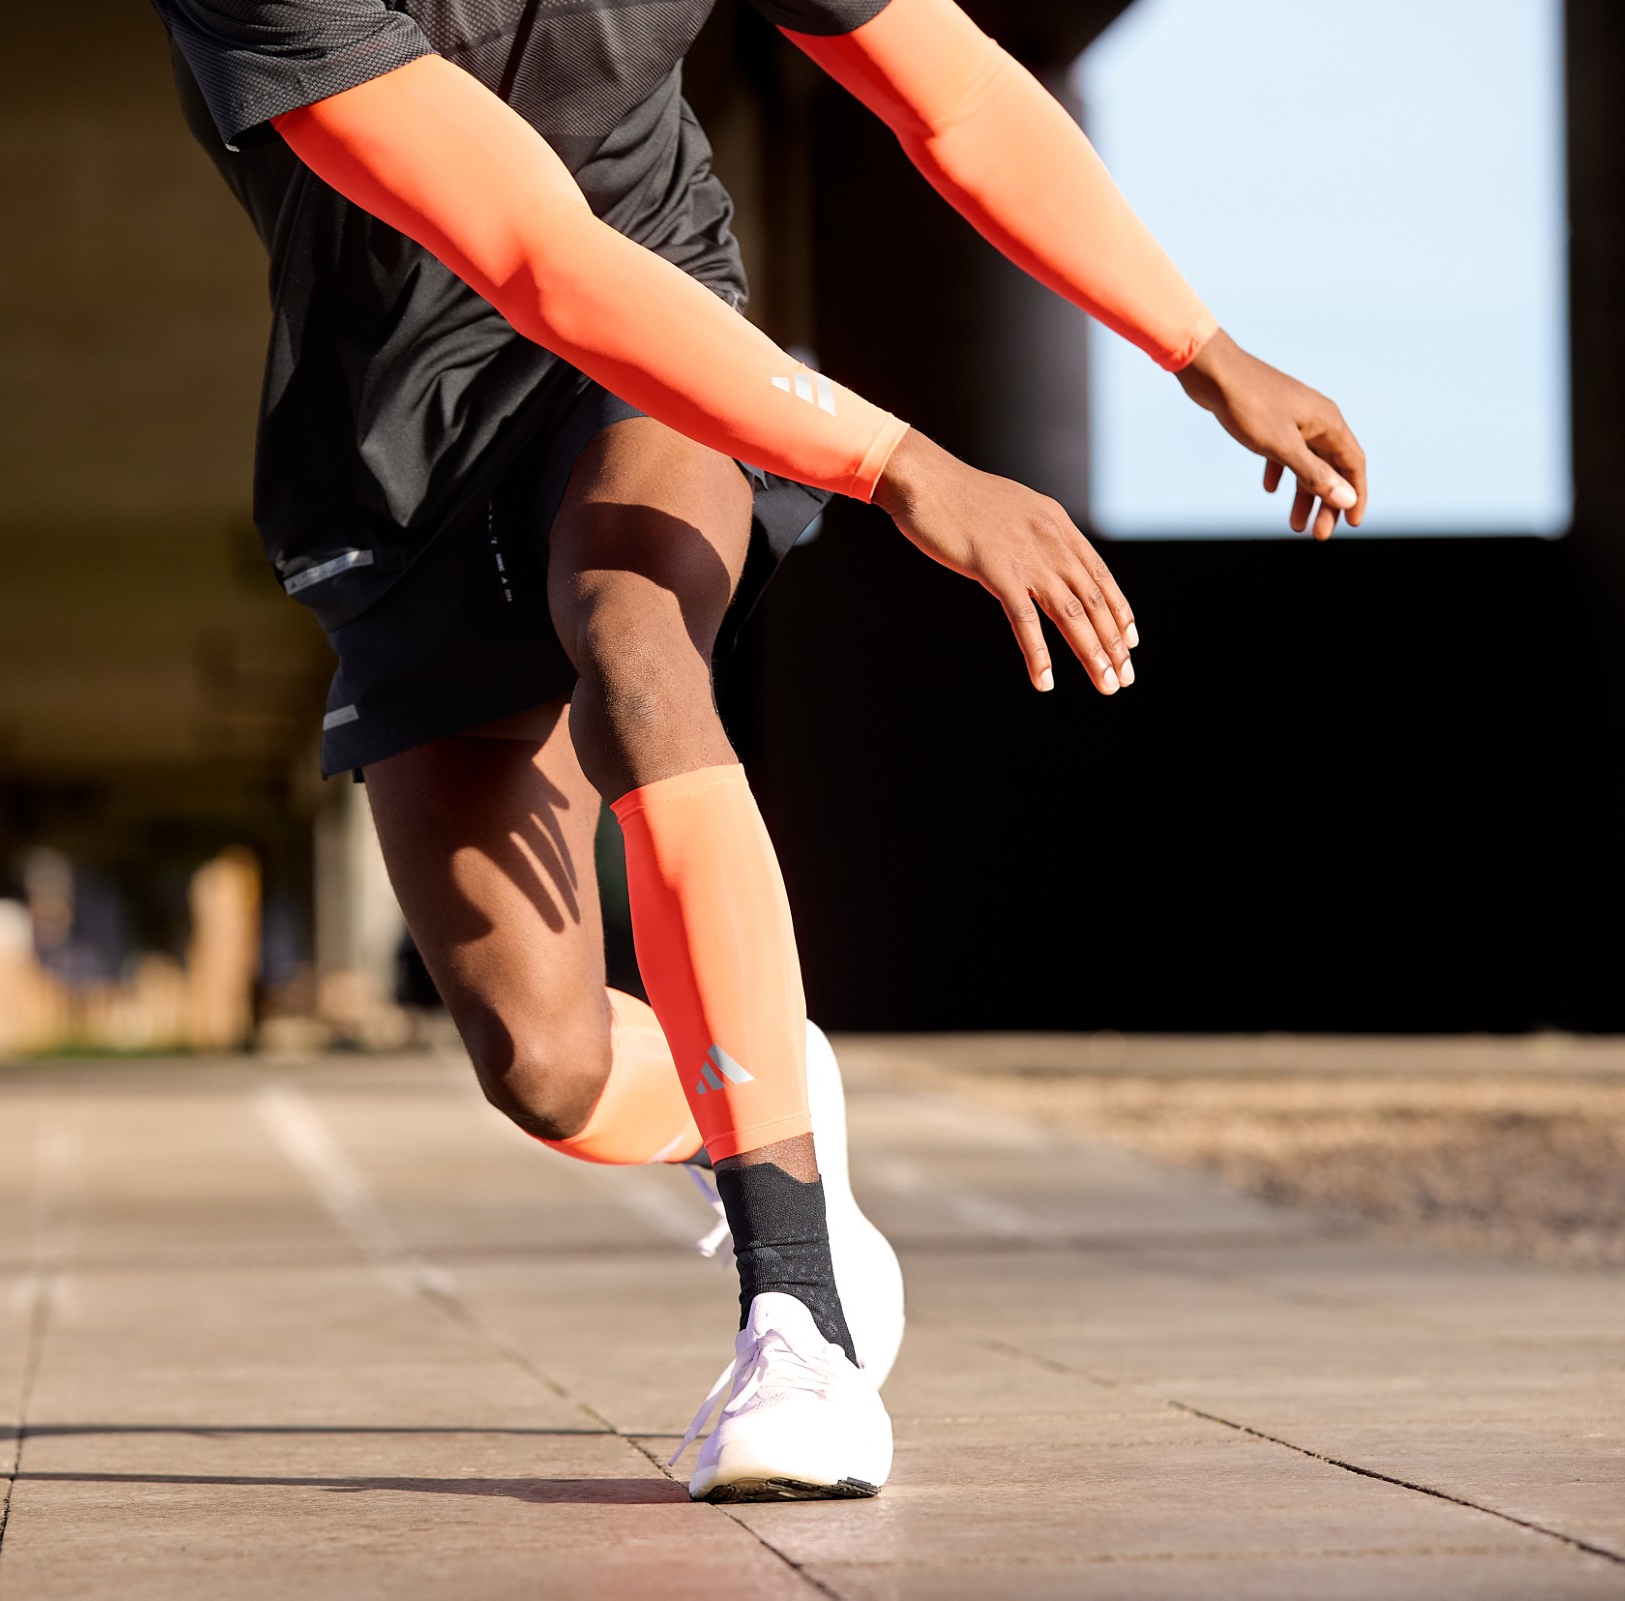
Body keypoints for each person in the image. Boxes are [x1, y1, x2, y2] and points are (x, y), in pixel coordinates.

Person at [151, 0, 1367, 1502]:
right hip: (397, 444)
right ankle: (770, 1069)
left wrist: (1199, 344)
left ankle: (798, 1318)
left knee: (638, 644)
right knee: (543, 1062)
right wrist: (905, 463)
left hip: (651, 352)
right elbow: (533, 254)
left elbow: (956, 93)